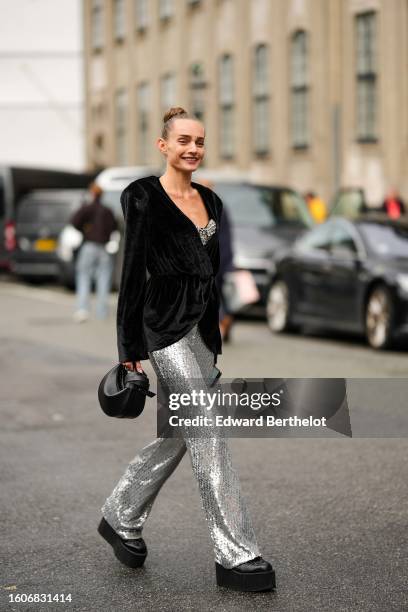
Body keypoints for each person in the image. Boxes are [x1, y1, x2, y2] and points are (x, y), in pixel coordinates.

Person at [97, 107, 275, 592]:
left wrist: (216, 335)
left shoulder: (212, 202)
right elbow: (132, 273)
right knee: (210, 433)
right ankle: (235, 553)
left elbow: (211, 277)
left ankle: (121, 514)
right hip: (163, 331)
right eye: (183, 141)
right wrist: (128, 347)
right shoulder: (143, 197)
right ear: (163, 145)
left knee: (181, 430)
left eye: (199, 141)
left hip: (199, 332)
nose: (192, 148)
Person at [70, 183, 118, 322]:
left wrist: (85, 230)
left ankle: (82, 309)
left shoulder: (87, 208)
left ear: (92, 194)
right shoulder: (108, 210)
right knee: (104, 279)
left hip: (89, 246)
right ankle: (102, 312)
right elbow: (114, 227)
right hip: (104, 247)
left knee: (84, 276)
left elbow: (74, 221)